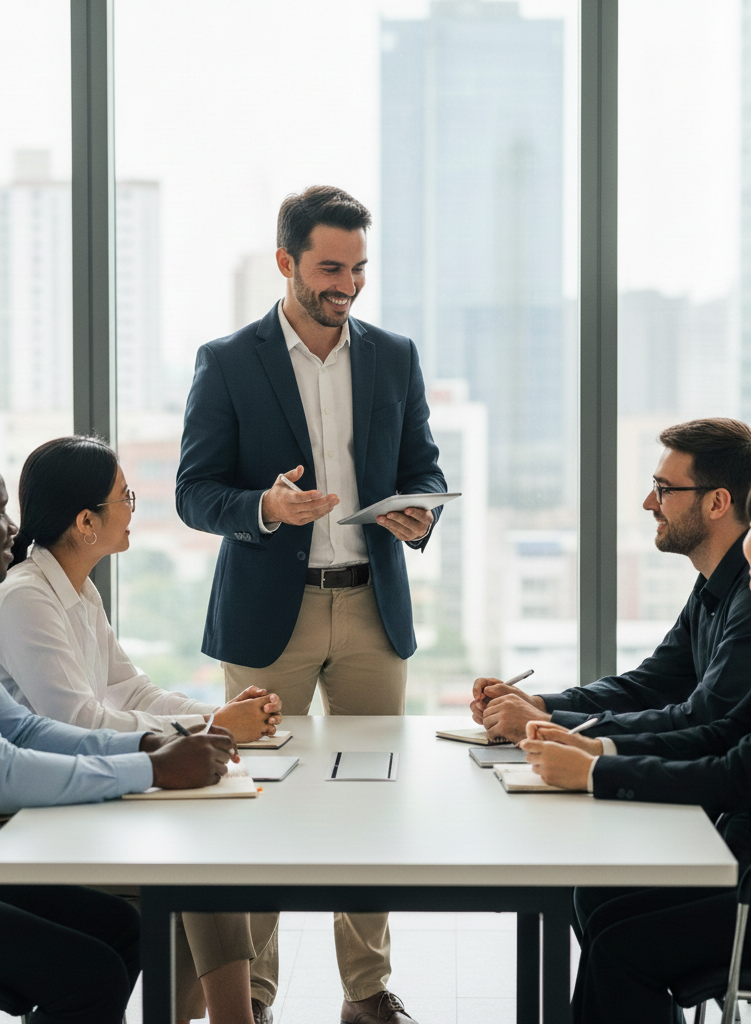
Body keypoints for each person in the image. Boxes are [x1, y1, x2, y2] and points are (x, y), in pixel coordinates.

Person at [176, 186, 447, 1024]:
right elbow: (194, 492)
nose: (348, 285)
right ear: (286, 261)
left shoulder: (394, 355)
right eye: (331, 268)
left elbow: (424, 464)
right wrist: (264, 507)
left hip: (372, 608)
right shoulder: (228, 360)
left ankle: (366, 992)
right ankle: (251, 996)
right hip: (271, 615)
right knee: (256, 797)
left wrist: (421, 510)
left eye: (359, 268)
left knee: (371, 800)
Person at [521, 458, 751, 1024]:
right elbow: (722, 733)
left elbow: (738, 774)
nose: (744, 545)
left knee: (624, 948)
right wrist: (598, 750)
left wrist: (595, 775)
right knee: (599, 899)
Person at [0, 443, 235, 1024]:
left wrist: (146, 744)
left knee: (121, 930)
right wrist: (153, 769)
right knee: (90, 973)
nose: (14, 529)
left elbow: (20, 727)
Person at [0, 435, 283, 1024]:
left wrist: (215, 718)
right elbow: (77, 722)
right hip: (31, 814)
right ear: (86, 522)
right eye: (125, 496)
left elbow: (133, 690)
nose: (133, 507)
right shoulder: (25, 600)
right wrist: (213, 725)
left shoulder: (77, 588)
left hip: (83, 787)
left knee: (220, 846)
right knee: (208, 863)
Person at [471, 418, 751, 743]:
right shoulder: (713, 584)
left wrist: (547, 724)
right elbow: (648, 687)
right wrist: (538, 705)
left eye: (664, 490)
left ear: (717, 503)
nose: (649, 503)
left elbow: (703, 720)